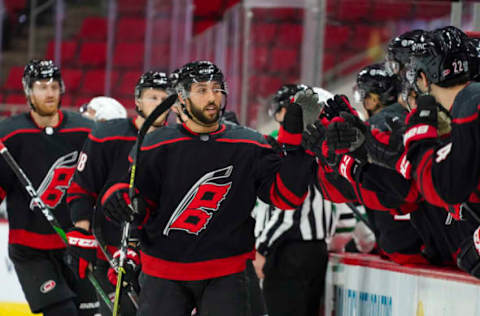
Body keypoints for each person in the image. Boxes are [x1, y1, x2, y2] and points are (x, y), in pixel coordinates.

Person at [100, 60, 315, 316]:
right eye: (201, 90)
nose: (212, 97)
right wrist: (119, 200)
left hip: (227, 272)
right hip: (164, 271)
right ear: (181, 98)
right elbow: (136, 200)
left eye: (217, 89)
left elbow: (286, 196)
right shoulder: (153, 144)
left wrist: (295, 146)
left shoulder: (251, 144)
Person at [66, 71, 173, 315]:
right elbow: (82, 188)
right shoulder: (107, 135)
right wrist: (82, 233)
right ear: (137, 102)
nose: (158, 104)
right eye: (152, 97)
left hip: (158, 256)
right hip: (111, 252)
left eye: (164, 99)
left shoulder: (177, 143)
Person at [0, 59, 99, 315]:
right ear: (28, 92)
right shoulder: (9, 134)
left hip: (75, 245)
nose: (50, 93)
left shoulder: (85, 130)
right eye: (42, 87)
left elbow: (98, 183)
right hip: (30, 248)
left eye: (54, 86)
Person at [252, 84, 345, 316]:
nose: (280, 117)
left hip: (288, 250)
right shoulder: (321, 145)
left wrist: (262, 248)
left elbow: (288, 208)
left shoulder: (296, 147)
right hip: (316, 250)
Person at [400, 26, 480, 277]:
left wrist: (419, 140)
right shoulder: (470, 101)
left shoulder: (470, 105)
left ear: (424, 78)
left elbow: (446, 186)